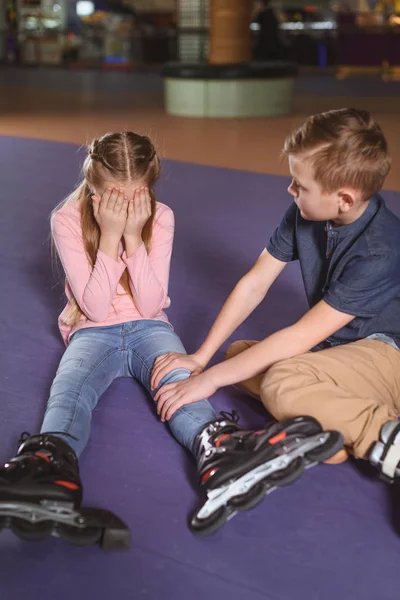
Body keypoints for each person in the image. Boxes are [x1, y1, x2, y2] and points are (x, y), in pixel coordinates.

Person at [0, 131, 342, 541]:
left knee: (181, 385)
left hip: (150, 327)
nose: (126, 205)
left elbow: (147, 304)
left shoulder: (160, 218)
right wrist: (109, 235)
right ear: (93, 185)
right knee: (70, 389)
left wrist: (131, 235)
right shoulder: (67, 219)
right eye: (114, 195)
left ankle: (221, 454)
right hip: (91, 331)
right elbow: (93, 306)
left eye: (136, 194)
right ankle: (46, 467)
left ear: (150, 187)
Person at [152, 108, 400, 490]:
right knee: (239, 355)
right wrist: (202, 357)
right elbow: (255, 283)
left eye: (300, 185)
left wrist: (210, 381)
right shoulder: (305, 213)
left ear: (344, 200)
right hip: (342, 353)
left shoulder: (379, 249)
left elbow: (301, 336)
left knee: (282, 378)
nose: (290, 190)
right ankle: (333, 438)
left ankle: (387, 436)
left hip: (387, 355)